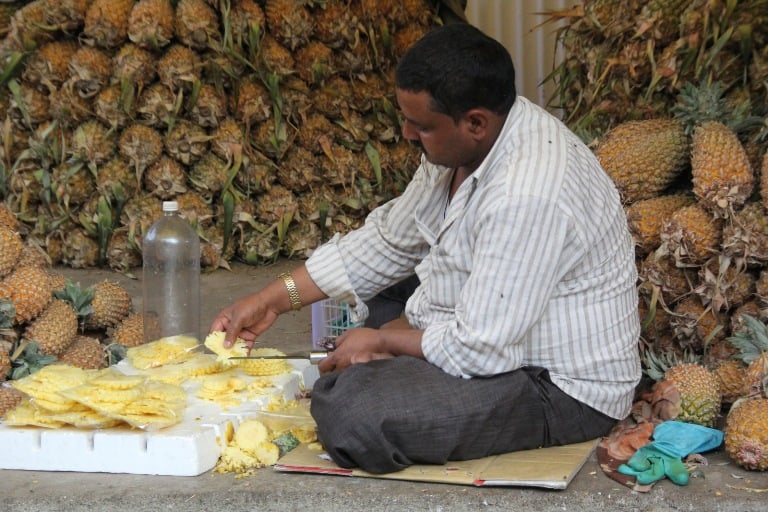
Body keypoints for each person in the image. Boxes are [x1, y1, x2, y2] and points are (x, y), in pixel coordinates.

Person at [210, 22, 641, 475]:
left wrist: (382, 339)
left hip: (552, 385)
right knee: (377, 295)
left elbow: (482, 351)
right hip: (493, 328)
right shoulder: (469, 145)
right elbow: (388, 242)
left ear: (475, 122)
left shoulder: (527, 193)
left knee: (351, 412)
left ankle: (389, 360)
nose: (407, 135)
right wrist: (270, 301)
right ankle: (396, 352)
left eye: (421, 127)